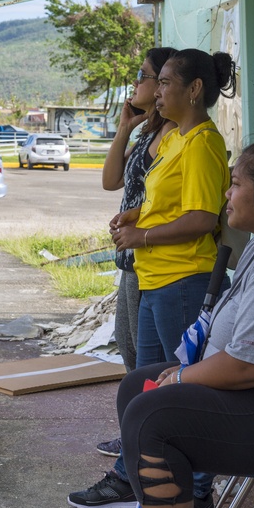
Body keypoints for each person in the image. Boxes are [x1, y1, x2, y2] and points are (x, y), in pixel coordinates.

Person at [74, 139, 254, 508]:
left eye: (237, 184)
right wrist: (184, 373)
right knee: (135, 388)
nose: (227, 192)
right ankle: (174, 502)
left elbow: (248, 366)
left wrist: (181, 378)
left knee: (151, 418)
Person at [69, 49, 236, 508]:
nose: (156, 92)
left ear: (194, 89)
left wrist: (141, 233)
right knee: (148, 390)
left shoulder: (202, 141)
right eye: (156, 82)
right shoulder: (176, 139)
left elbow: (202, 217)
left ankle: (194, 491)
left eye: (164, 82)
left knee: (182, 392)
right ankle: (138, 478)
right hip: (156, 276)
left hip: (184, 277)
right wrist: (136, 213)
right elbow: (171, 201)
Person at [96, 46, 177, 458]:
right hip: (131, 258)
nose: (138, 83)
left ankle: (145, 440)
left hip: (153, 257)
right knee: (130, 349)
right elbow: (111, 181)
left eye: (146, 76)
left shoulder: (175, 136)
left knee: (150, 358)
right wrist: (124, 128)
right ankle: (137, 436)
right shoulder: (147, 132)